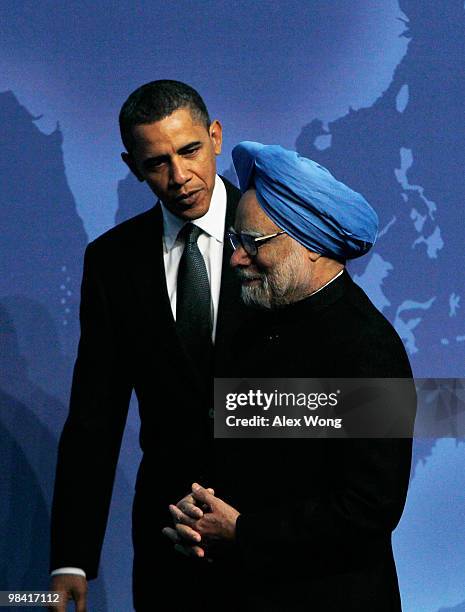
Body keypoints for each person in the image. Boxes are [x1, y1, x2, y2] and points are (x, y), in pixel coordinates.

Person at [163, 142, 417, 611]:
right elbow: (245, 459)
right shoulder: (256, 329)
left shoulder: (369, 349)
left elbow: (369, 509)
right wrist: (198, 515)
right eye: (237, 241)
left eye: (254, 244)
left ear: (314, 245)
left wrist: (242, 531)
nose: (236, 259)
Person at [48, 80, 251, 612]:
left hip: (274, 534)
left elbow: (332, 384)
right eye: (157, 162)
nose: (179, 177)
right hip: (171, 540)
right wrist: (72, 557)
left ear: (216, 136)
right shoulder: (113, 262)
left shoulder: (281, 231)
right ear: (131, 165)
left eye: (190, 151)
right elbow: (95, 415)